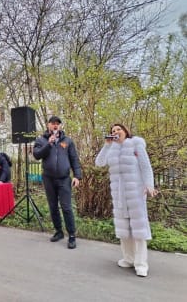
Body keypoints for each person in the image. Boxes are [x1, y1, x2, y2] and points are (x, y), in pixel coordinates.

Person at [95, 123, 157, 277]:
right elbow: (99, 163)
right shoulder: (112, 150)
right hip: (119, 195)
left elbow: (145, 166)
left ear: (125, 131)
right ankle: (129, 258)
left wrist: (149, 185)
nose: (116, 132)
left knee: (138, 229)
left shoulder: (135, 144)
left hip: (136, 193)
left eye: (118, 129)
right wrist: (107, 146)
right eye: (113, 131)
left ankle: (141, 264)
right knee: (124, 229)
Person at [33, 116, 82, 249]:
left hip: (64, 179)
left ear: (60, 126)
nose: (55, 126)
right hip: (48, 178)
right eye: (53, 123)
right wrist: (48, 144)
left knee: (66, 207)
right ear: (48, 125)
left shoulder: (67, 141)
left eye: (57, 124)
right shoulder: (41, 140)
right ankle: (59, 231)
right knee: (53, 206)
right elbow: (37, 155)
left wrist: (77, 176)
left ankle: (71, 235)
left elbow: (74, 159)